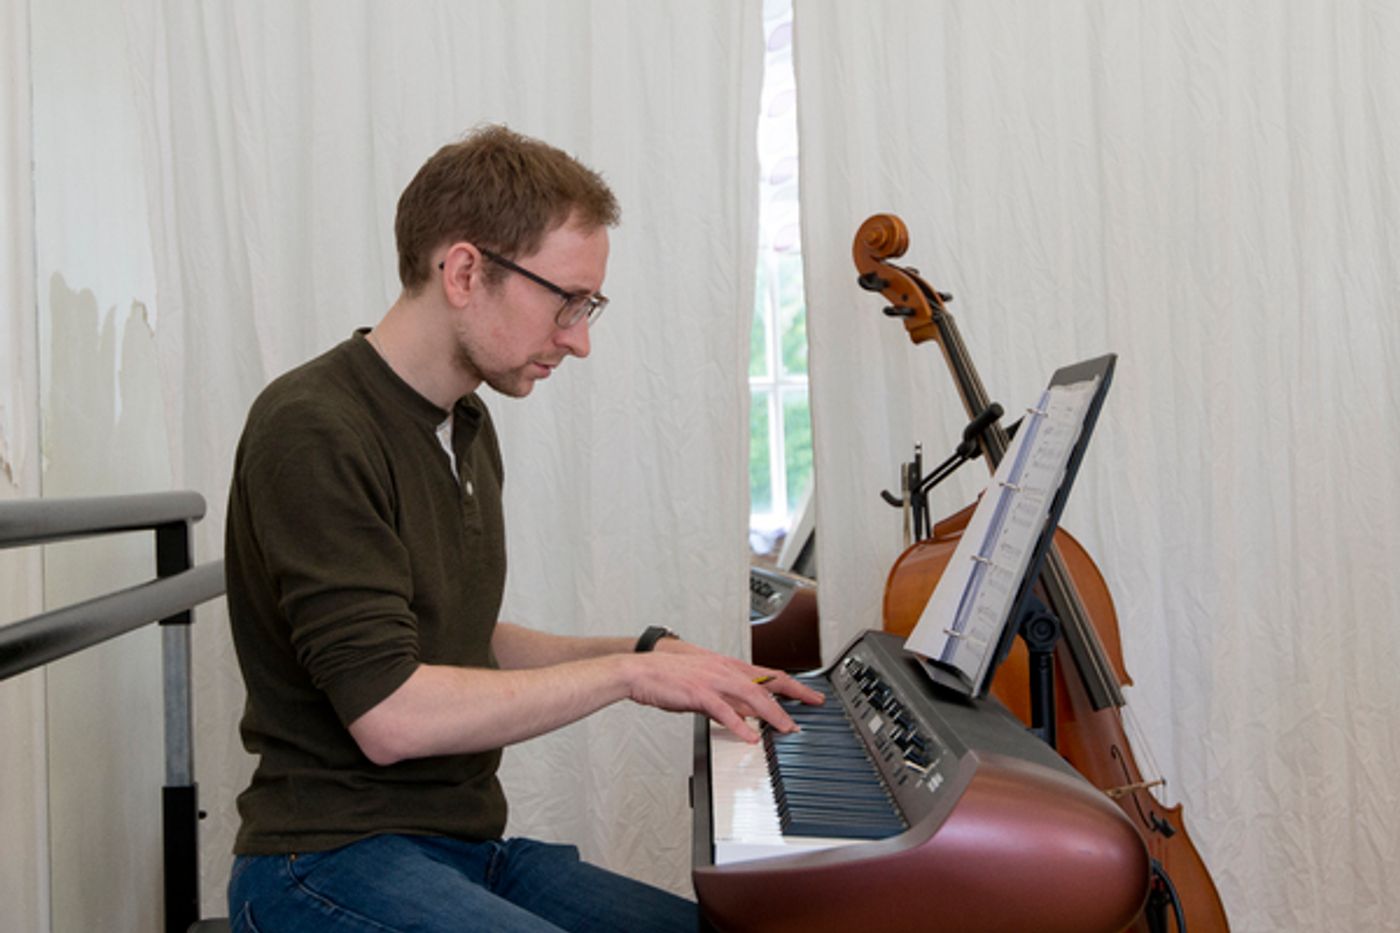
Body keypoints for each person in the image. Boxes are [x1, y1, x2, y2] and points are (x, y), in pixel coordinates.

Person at [223, 124, 822, 933]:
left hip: (461, 845)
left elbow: (459, 637)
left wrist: (645, 651)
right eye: (566, 302)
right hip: (323, 859)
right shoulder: (312, 426)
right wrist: (624, 680)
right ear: (466, 270)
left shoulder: (462, 421)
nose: (577, 339)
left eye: (589, 307)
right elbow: (392, 712)